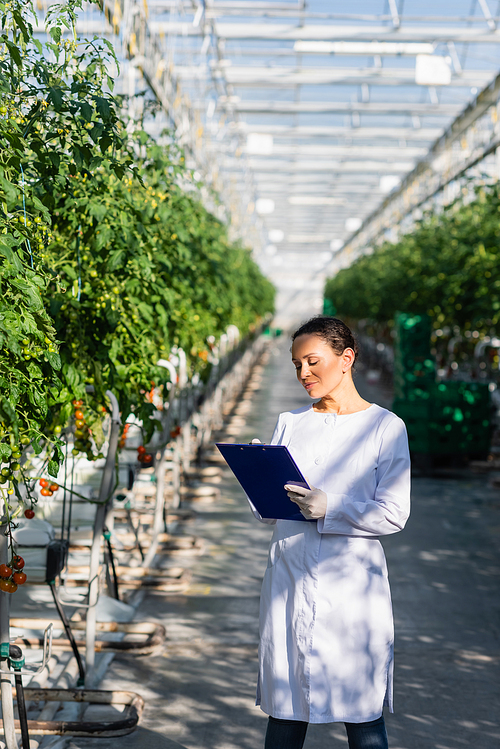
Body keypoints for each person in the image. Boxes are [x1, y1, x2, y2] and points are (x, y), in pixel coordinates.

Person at [250, 316, 411, 749]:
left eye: (312, 361)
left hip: (352, 590)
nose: (304, 373)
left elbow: (394, 513)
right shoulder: (289, 422)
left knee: (362, 714)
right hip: (290, 579)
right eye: (296, 364)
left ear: (347, 358)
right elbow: (265, 506)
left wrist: (331, 507)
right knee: (285, 708)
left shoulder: (385, 428)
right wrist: (259, 483)